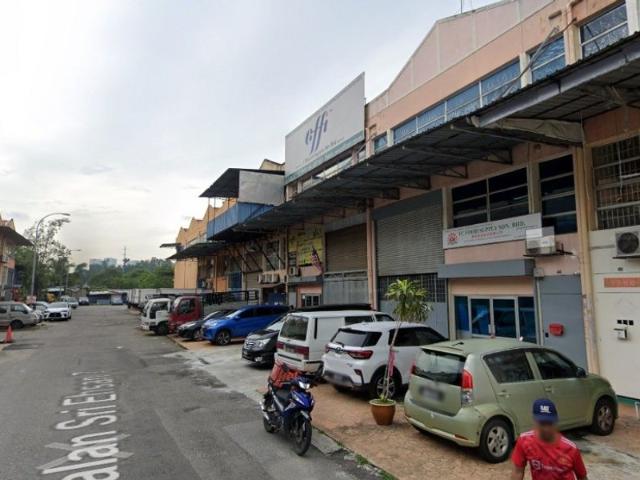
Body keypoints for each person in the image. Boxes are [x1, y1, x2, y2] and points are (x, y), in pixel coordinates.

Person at [511, 398, 588, 480]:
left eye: (550, 423)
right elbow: (518, 472)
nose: (546, 428)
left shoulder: (570, 449)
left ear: (556, 421)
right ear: (534, 420)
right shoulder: (524, 441)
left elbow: (582, 477)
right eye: (542, 423)